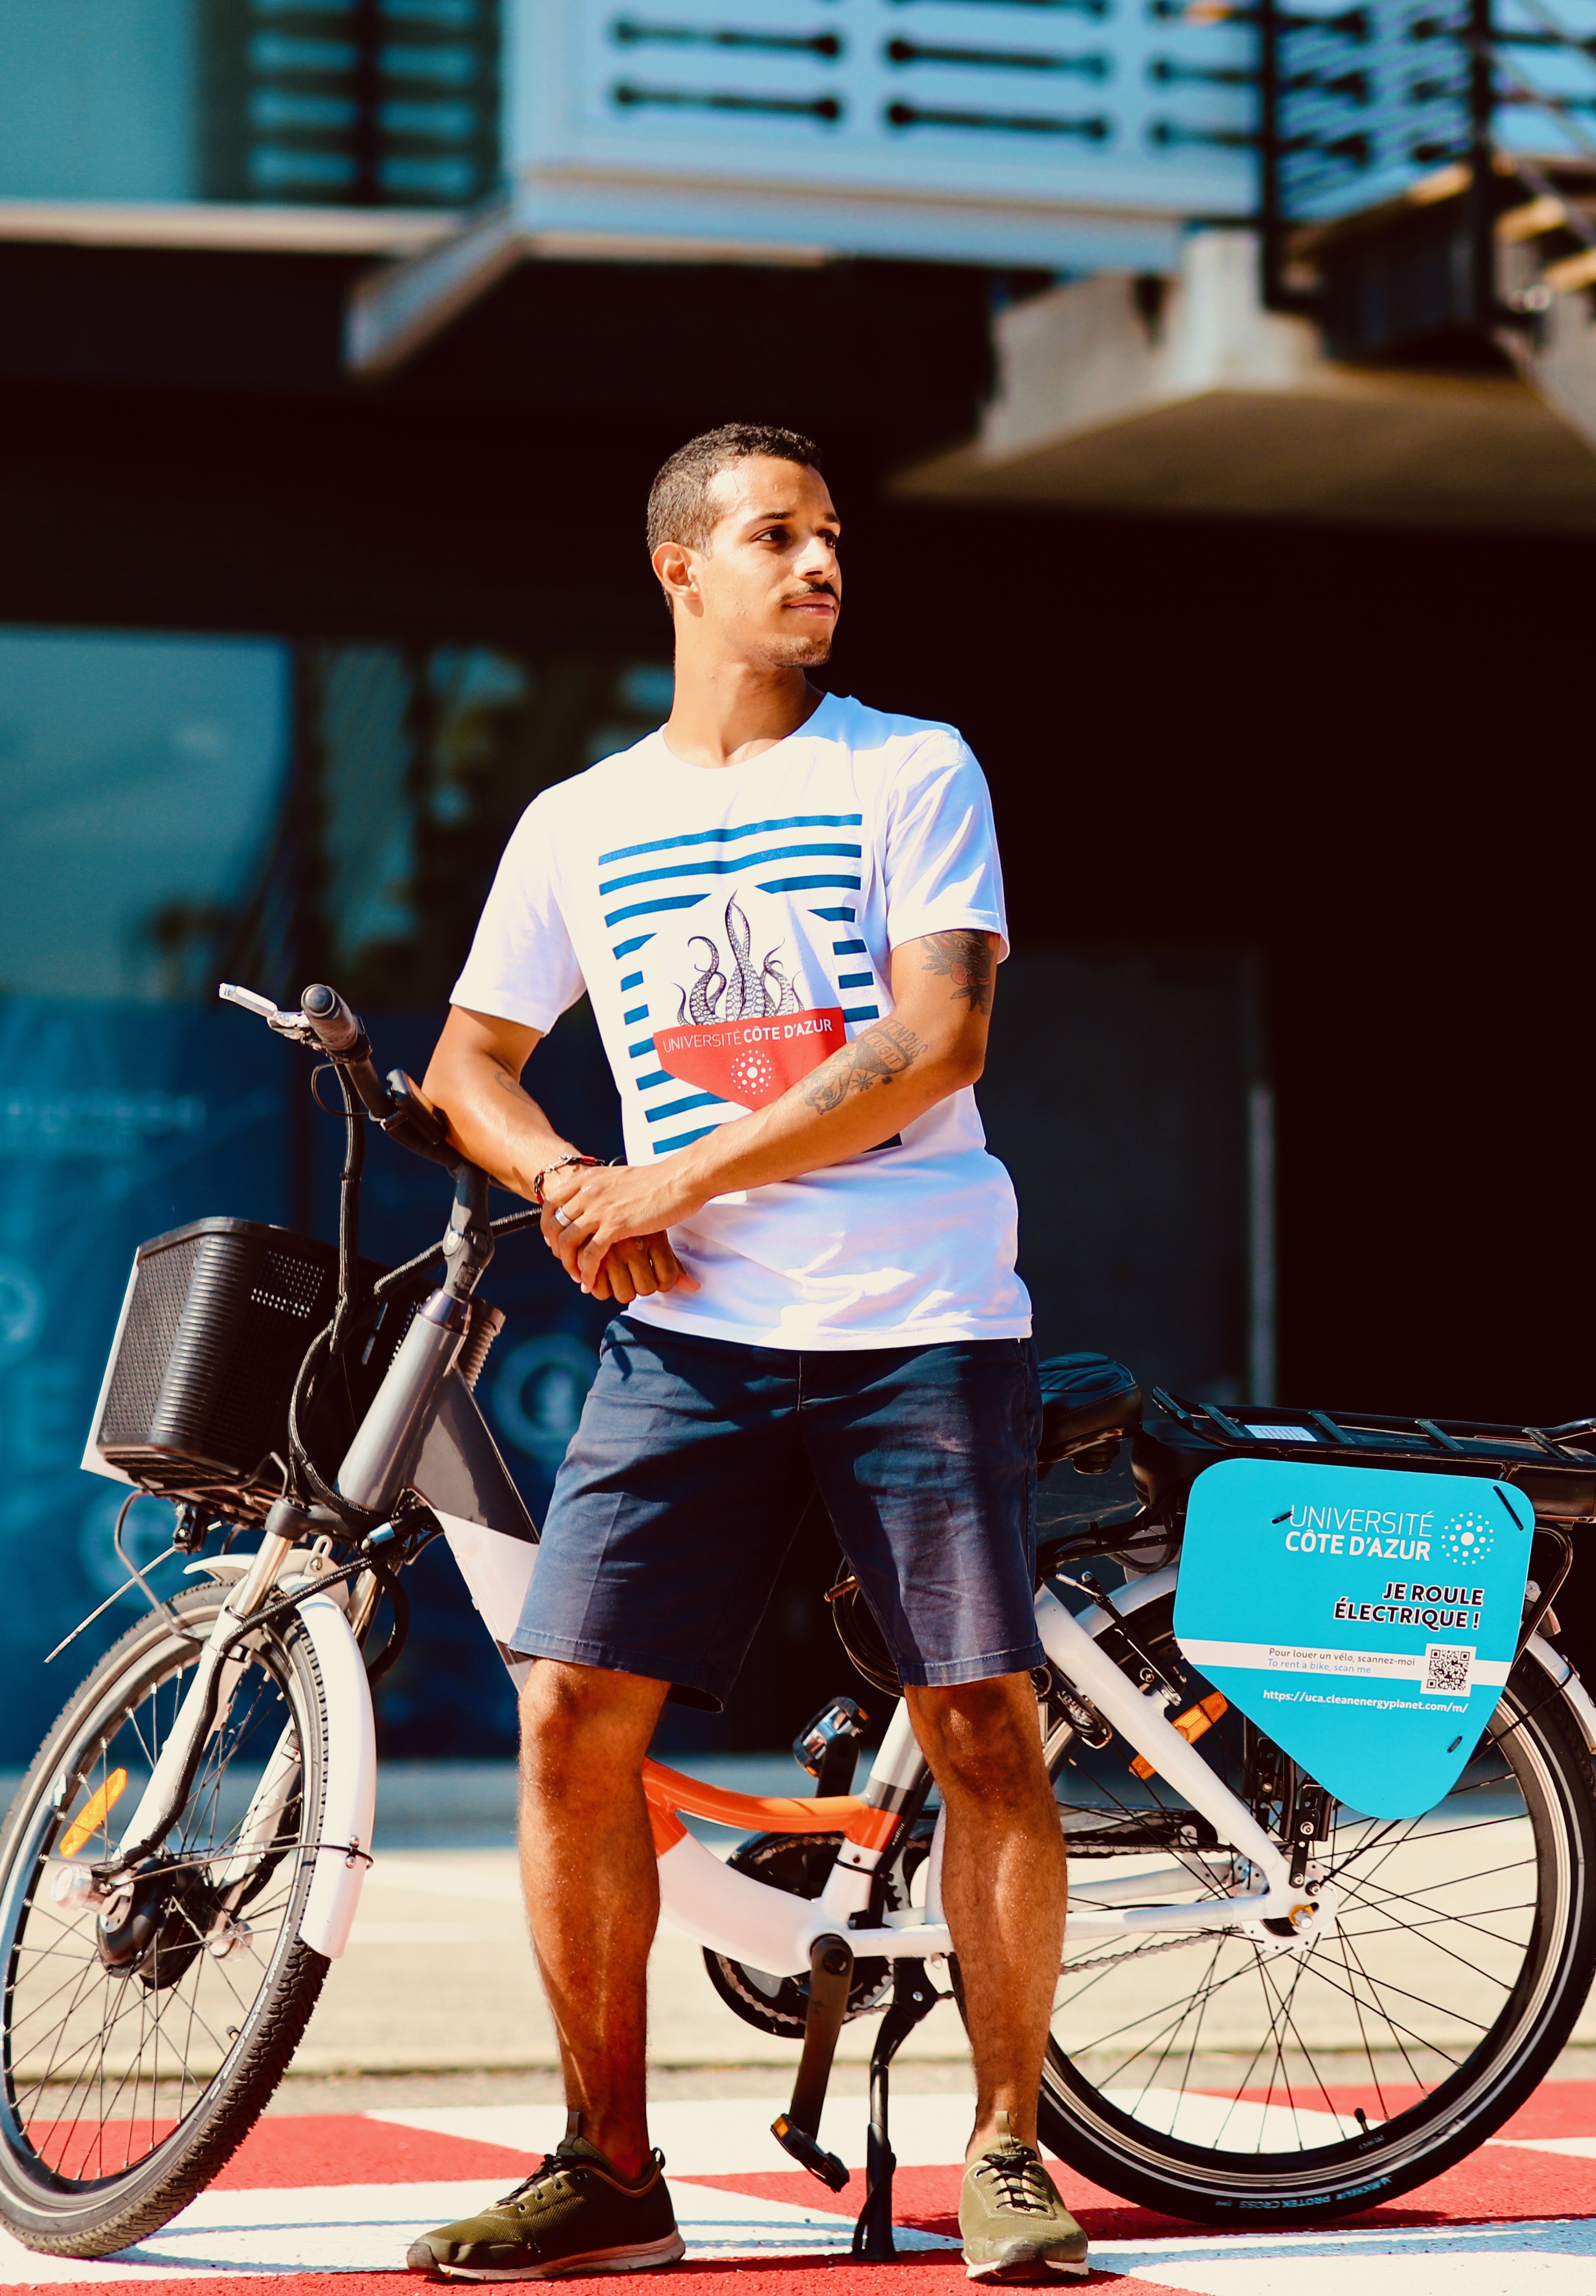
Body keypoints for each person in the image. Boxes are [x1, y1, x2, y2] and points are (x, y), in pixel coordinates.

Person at [404, 422, 1086, 2282]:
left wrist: (666, 1176)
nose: (820, 565)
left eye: (833, 537)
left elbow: (935, 1047)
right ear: (678, 570)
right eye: (777, 535)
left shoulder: (913, 768)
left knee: (980, 1728)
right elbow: (475, 1063)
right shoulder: (580, 820)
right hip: (687, 1341)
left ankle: (1013, 2155)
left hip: (916, 1322)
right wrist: (568, 1183)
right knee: (569, 1721)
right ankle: (610, 2167)